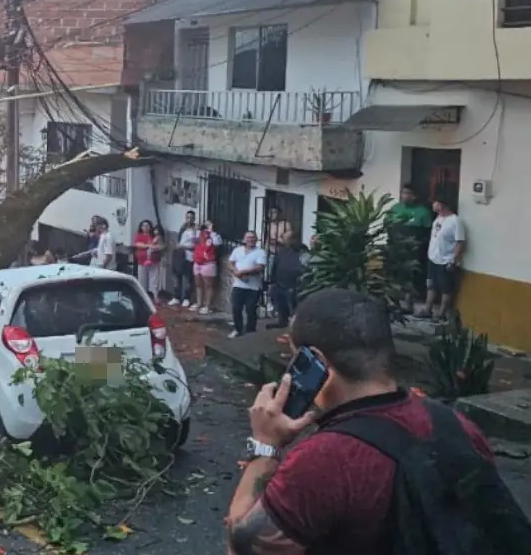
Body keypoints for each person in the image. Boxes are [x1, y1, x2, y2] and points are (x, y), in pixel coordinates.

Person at [224, 288, 529, 554]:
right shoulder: (460, 426)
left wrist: (265, 445)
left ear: (317, 362)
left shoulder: (324, 461)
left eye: (295, 359)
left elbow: (243, 546)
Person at [389, 185, 433, 309]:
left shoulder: (423, 212)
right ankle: (394, 302)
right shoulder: (395, 209)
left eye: (408, 193)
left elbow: (428, 233)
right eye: (403, 193)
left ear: (415, 196)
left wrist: (419, 246)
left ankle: (409, 302)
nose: (405, 195)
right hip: (397, 249)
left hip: (415, 251)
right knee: (396, 275)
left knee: (412, 276)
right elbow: (388, 227)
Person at [424, 195, 465, 325]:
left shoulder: (455, 221)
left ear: (442, 204)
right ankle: (427, 309)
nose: (433, 206)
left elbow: (460, 242)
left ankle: (441, 313)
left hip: (446, 260)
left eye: (435, 203)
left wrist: (454, 260)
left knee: (446, 288)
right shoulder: (438, 218)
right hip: (433, 258)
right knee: (431, 285)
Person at [227, 230, 268, 337]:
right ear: (244, 239)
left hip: (253, 287)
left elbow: (260, 267)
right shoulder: (237, 250)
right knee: (236, 307)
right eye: (248, 237)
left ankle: (251, 331)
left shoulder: (260, 252)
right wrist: (236, 272)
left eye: (253, 237)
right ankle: (237, 329)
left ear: (256, 239)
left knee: (250, 309)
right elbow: (230, 262)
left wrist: (244, 272)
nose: (250, 240)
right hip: (238, 284)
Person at [267, 233, 305, 330]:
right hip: (280, 284)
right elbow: (275, 266)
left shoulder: (302, 250)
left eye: (285, 238)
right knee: (281, 306)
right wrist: (272, 282)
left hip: (295, 285)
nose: (283, 240)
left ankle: (296, 327)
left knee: (295, 308)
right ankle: (282, 322)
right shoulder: (282, 251)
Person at [192, 220, 222, 315]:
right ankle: (199, 303)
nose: (206, 226)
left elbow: (217, 243)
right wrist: (196, 230)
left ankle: (208, 306)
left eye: (208, 224)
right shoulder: (200, 234)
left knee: (208, 285)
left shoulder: (215, 236)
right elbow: (193, 240)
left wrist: (211, 231)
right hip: (197, 261)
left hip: (208, 263)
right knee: (198, 284)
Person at [174, 210, 198, 307]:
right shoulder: (183, 228)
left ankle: (186, 298)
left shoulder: (195, 230)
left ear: (194, 219)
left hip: (189, 256)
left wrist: (182, 246)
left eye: (191, 218)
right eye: (187, 217)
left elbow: (195, 244)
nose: (189, 219)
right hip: (180, 255)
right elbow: (178, 240)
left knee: (188, 278)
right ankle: (176, 297)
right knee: (177, 275)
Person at [133, 220, 159, 296]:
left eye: (147, 225)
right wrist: (148, 245)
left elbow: (158, 246)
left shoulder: (154, 235)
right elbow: (138, 244)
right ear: (141, 227)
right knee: (142, 279)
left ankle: (155, 297)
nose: (145, 227)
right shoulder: (139, 235)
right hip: (141, 261)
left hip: (154, 261)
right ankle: (143, 296)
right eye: (143, 225)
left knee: (154, 280)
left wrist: (151, 246)